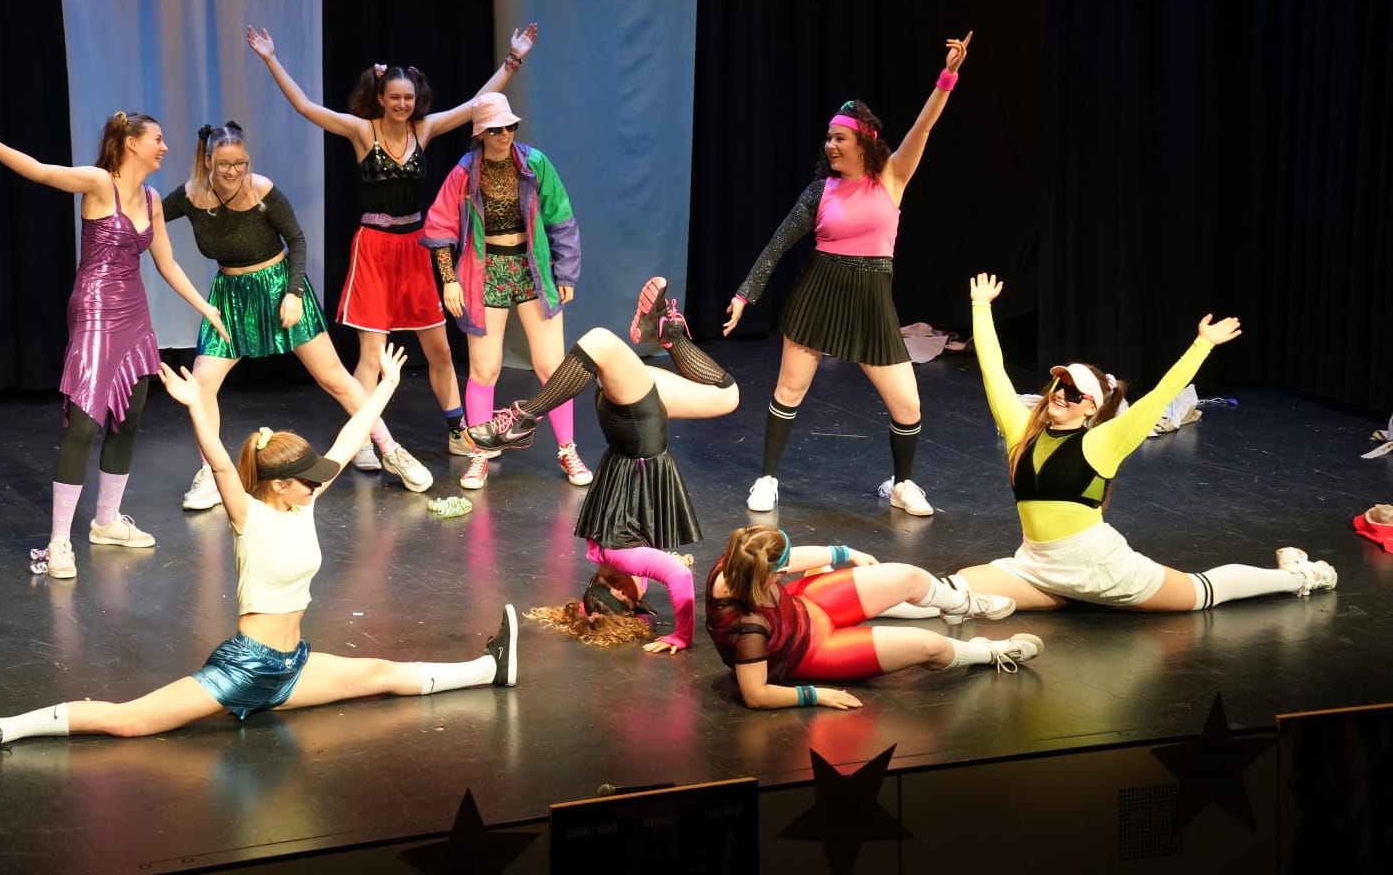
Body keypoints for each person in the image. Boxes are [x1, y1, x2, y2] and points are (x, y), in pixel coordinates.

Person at [0, 343, 518, 758]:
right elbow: (223, 463)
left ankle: (489, 667)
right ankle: (2, 729)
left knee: (382, 674)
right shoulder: (248, 515)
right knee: (129, 722)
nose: (320, 483)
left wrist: (385, 387)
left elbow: (349, 440)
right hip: (245, 669)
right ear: (279, 484)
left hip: (293, 666)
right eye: (307, 479)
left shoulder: (305, 501)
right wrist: (194, 406)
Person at [932, 272, 1338, 612]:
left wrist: (1202, 345)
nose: (1061, 395)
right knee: (953, 590)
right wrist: (981, 307)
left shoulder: (1102, 441)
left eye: (1074, 393)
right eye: (1058, 386)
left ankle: (1302, 576)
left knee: (1200, 593)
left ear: (1091, 407)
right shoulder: (1022, 433)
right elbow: (994, 371)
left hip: (1100, 569)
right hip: (1036, 567)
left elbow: (1160, 396)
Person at [0, 111, 224, 579]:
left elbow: (168, 265)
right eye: (157, 139)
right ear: (131, 143)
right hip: (94, 311)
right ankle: (58, 542)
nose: (164, 147)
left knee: (129, 420)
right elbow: (39, 171)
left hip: (134, 314)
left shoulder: (152, 199)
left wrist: (206, 307)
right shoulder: (98, 183)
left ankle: (107, 522)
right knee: (85, 425)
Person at [248, 23, 538, 470]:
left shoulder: (424, 129)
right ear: (381, 98)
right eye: (395, 97)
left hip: (415, 248)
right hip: (375, 248)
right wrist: (270, 58)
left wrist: (512, 61)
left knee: (440, 351)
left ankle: (458, 433)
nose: (402, 104)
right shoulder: (363, 132)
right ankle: (363, 437)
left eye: (408, 98)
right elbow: (305, 106)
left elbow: (476, 105)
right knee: (370, 355)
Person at [725, 33, 973, 517]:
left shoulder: (892, 178)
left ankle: (902, 484)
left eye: (839, 137)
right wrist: (744, 295)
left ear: (865, 142)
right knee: (788, 392)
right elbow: (777, 245)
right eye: (828, 138)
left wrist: (948, 76)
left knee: (908, 406)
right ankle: (767, 478)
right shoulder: (819, 192)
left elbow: (923, 127)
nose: (830, 144)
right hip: (818, 296)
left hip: (872, 303)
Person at [162, 120, 432, 506]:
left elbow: (297, 240)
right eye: (224, 164)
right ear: (208, 161)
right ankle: (212, 473)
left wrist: (293, 294)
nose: (234, 172)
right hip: (232, 296)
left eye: (241, 163)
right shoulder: (190, 197)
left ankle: (391, 449)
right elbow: (148, 214)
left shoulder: (261, 189)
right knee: (203, 383)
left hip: (279, 286)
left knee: (335, 379)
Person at [469, 277, 733, 654]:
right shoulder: (605, 552)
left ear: (620, 591)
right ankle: (667, 334)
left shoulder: (623, 556)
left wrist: (682, 635)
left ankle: (523, 419)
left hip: (637, 428)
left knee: (600, 341)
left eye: (635, 600)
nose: (642, 594)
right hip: (636, 424)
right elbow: (655, 569)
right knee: (727, 396)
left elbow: (677, 575)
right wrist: (617, 615)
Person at [422, 93, 585, 489]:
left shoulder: (534, 163)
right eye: (496, 129)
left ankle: (568, 450)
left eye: (509, 126)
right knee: (485, 368)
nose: (505, 134)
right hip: (485, 271)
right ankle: (479, 453)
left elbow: (561, 218)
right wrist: (448, 279)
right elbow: (439, 227)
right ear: (481, 132)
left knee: (552, 367)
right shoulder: (465, 171)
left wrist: (566, 272)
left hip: (531, 268)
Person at [705, 526, 1041, 711]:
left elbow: (790, 558)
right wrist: (814, 695)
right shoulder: (747, 628)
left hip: (807, 604)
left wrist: (845, 553)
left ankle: (959, 604)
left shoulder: (742, 558)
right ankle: (989, 652)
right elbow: (756, 694)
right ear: (771, 576)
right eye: (782, 569)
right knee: (929, 646)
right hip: (811, 650)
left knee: (908, 577)